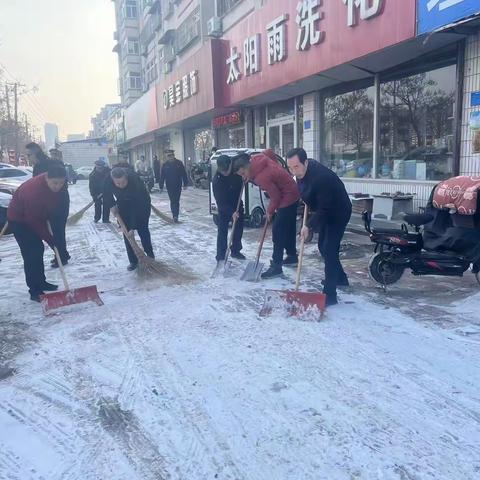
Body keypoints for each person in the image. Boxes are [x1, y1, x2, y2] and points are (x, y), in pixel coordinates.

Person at [286, 148, 352, 307]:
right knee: (323, 247)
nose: (294, 171)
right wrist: (306, 220)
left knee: (329, 249)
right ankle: (341, 278)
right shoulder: (302, 174)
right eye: (290, 168)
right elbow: (309, 199)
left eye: (296, 167)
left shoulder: (321, 178)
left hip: (338, 212)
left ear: (306, 162)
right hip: (324, 211)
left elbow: (324, 208)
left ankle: (330, 294)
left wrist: (309, 226)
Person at [234, 151, 300, 279]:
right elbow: (269, 151)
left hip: (287, 195)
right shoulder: (257, 158)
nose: (243, 177)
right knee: (289, 225)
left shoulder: (262, 177)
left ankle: (276, 266)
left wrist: (269, 212)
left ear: (248, 166)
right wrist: (277, 172)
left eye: (243, 173)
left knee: (278, 231)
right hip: (293, 189)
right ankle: (292, 256)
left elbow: (275, 197)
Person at [7, 164, 68, 302]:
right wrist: (51, 240)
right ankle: (34, 290)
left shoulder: (55, 186)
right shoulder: (33, 191)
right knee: (31, 254)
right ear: (47, 178)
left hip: (37, 216)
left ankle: (41, 282)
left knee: (38, 249)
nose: (58, 186)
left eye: (61, 183)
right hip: (20, 220)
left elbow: (54, 206)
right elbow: (34, 221)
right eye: (55, 183)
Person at [28, 142, 71, 268]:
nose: (28, 158)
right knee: (58, 231)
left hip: (53, 203)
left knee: (54, 232)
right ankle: (62, 255)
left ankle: (61, 257)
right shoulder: (54, 162)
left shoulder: (41, 166)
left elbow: (38, 188)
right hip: (62, 201)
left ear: (35, 153)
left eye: (28, 155)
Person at [108, 167, 154, 271]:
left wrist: (133, 227)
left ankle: (150, 256)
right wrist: (112, 206)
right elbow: (107, 196)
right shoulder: (108, 181)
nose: (120, 185)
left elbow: (134, 207)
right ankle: (133, 261)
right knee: (126, 233)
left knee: (143, 230)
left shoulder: (135, 182)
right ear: (113, 180)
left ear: (127, 178)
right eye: (117, 183)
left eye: (123, 182)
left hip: (141, 204)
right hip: (123, 203)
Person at [212, 155, 245, 263]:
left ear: (230, 164)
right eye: (223, 171)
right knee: (222, 230)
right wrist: (231, 212)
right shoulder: (217, 180)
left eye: (227, 170)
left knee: (238, 229)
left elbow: (247, 160)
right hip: (224, 207)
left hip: (237, 203)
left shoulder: (236, 166)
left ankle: (235, 251)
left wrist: (246, 176)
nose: (225, 173)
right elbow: (220, 203)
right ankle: (220, 255)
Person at [159, 149, 188, 222]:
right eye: (168, 156)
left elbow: (184, 174)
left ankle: (176, 215)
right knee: (172, 201)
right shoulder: (165, 165)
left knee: (176, 200)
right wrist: (161, 186)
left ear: (173, 155)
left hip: (178, 185)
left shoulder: (179, 163)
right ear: (167, 157)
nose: (170, 157)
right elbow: (162, 176)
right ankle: (174, 216)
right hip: (169, 186)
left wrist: (185, 184)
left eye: (171, 155)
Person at [89, 159, 111, 223]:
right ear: (96, 167)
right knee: (97, 204)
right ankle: (97, 218)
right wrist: (93, 195)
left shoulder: (108, 172)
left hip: (106, 190)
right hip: (97, 192)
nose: (100, 169)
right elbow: (91, 186)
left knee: (107, 204)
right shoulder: (92, 175)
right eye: (98, 168)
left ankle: (106, 219)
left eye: (101, 168)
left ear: (103, 167)